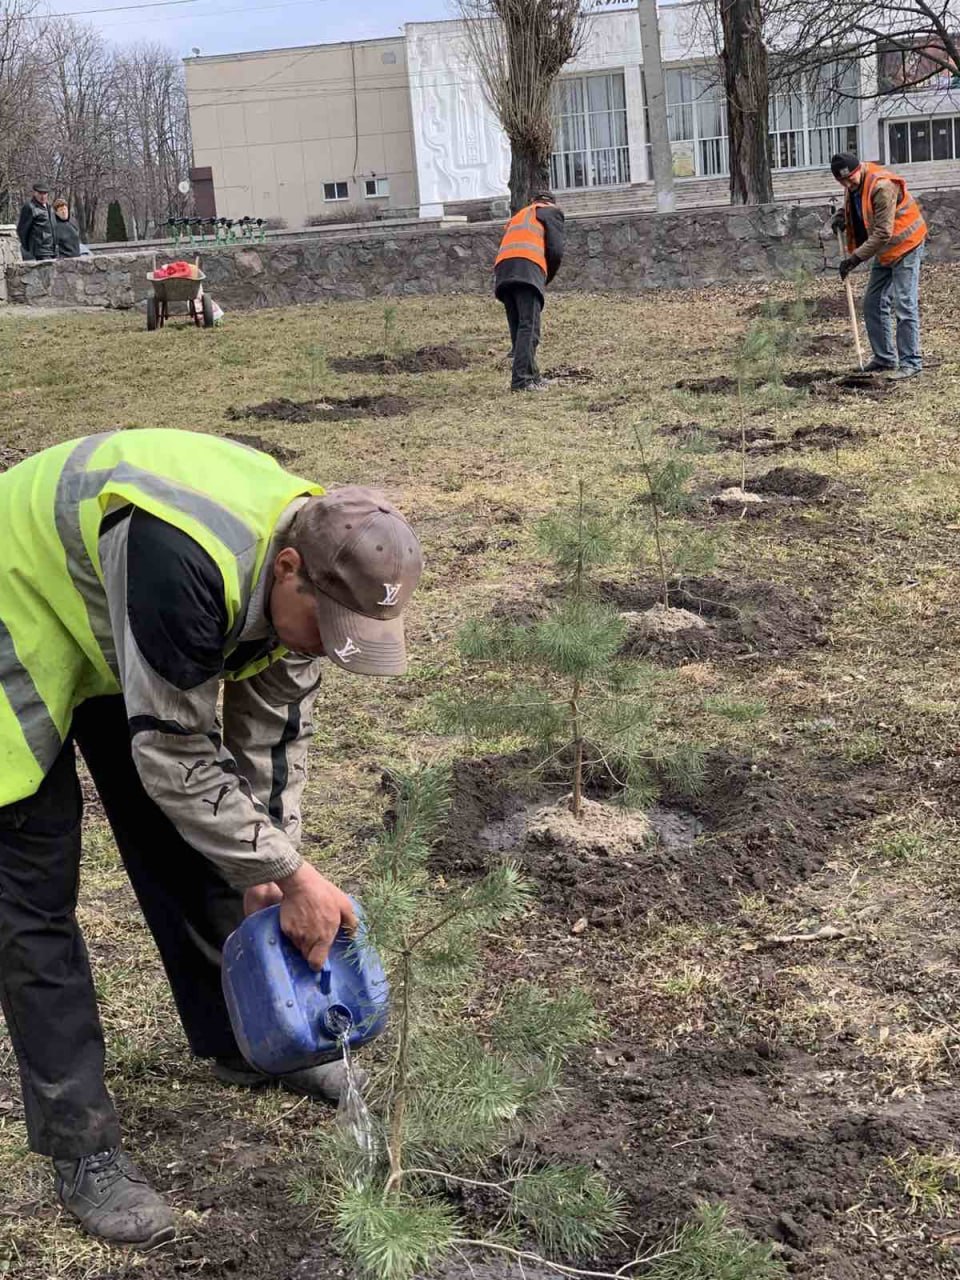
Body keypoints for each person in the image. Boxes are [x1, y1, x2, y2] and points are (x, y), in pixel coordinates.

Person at [0, 430, 424, 1248]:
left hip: (110, 614)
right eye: (322, 625)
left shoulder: (319, 556)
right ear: (290, 570)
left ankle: (244, 1039)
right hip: (13, 608)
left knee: (203, 843)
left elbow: (269, 739)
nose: (324, 644)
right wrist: (295, 875)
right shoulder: (187, 562)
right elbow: (176, 754)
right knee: (31, 895)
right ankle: (81, 1149)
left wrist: (270, 864)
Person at [830, 153, 927, 381]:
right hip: (884, 251)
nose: (847, 185)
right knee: (873, 302)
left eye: (849, 180)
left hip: (906, 245)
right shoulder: (853, 183)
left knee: (904, 304)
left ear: (859, 170)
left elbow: (883, 232)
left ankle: (911, 362)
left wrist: (854, 259)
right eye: (842, 182)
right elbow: (859, 206)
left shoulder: (882, 186)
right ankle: (884, 358)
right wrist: (842, 215)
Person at [493, 191, 565, 392]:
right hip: (527, 268)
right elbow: (556, 250)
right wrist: (545, 278)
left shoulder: (521, 215)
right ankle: (521, 381)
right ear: (551, 203)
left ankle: (532, 376)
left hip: (504, 271)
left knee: (519, 327)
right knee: (530, 327)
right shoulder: (551, 212)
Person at [16, 180, 56, 261]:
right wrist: (29, 250)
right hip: (39, 251)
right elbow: (22, 230)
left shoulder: (49, 207)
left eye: (45, 193)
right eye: (40, 193)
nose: (43, 196)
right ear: (35, 193)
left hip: (51, 250)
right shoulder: (30, 207)